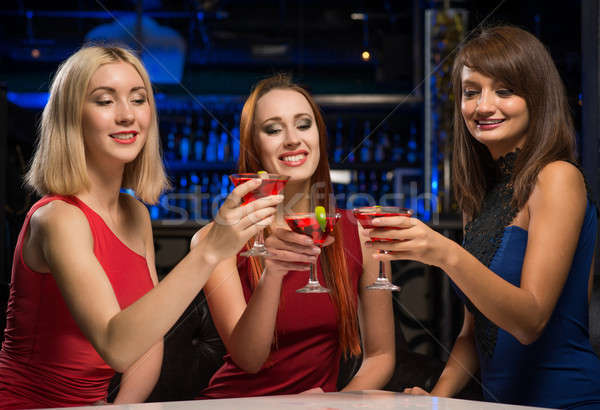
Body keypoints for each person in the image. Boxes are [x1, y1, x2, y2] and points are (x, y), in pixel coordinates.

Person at [0, 45, 282, 409]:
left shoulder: (134, 213)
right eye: (105, 101)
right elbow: (116, 346)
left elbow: (147, 341)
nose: (127, 115)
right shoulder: (57, 218)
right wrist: (210, 250)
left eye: (139, 99)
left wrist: (122, 408)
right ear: (72, 117)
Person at [367, 26, 600, 408]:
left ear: (536, 98)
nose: (483, 106)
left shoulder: (558, 177)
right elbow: (472, 334)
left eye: (504, 91)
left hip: (566, 399)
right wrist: (435, 400)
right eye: (471, 92)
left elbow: (530, 322)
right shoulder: (483, 196)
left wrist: (444, 253)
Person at [194, 74, 395, 398]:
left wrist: (335, 404)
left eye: (303, 124)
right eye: (273, 129)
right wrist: (272, 274)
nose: (292, 139)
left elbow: (381, 356)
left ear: (319, 136)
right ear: (254, 147)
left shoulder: (358, 234)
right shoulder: (218, 239)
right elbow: (249, 360)